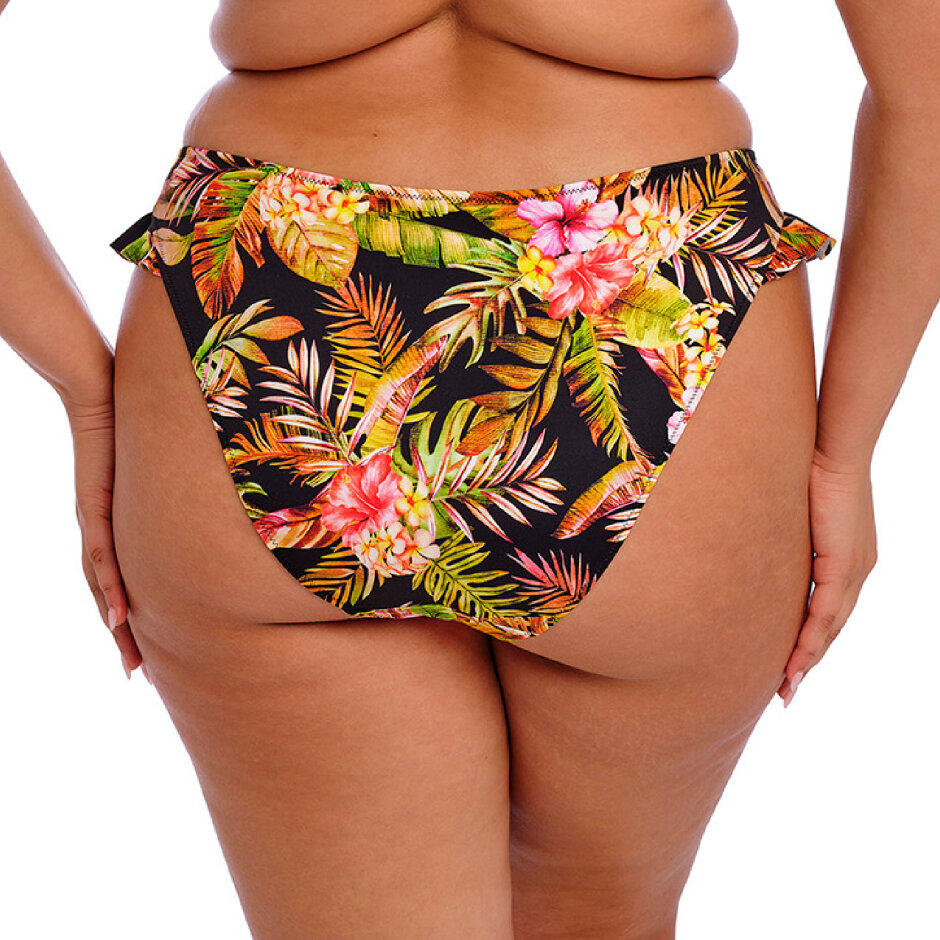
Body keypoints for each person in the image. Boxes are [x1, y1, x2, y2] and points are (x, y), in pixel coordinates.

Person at [1, 0, 936, 936]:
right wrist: (845, 454)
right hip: (646, 286)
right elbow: (926, 83)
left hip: (275, 296)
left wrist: (88, 392)